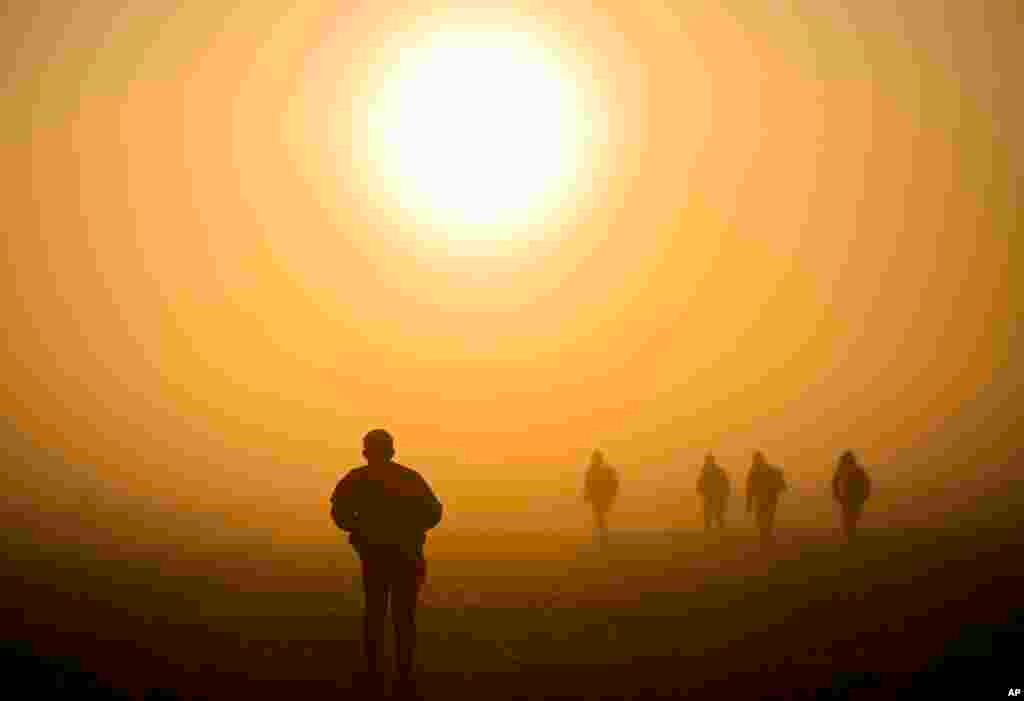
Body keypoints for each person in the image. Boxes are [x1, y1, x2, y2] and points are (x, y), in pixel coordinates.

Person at [330, 429, 442, 692]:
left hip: (376, 556)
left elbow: (339, 514)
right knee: (403, 616)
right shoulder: (409, 478)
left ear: (365, 452)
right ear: (392, 451)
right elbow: (434, 512)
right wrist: (412, 529)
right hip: (405, 555)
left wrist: (360, 530)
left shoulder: (356, 479)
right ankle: (403, 673)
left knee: (375, 614)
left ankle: (375, 672)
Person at [745, 451, 786, 547]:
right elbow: (750, 488)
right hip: (769, 500)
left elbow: (749, 488)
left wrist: (749, 503)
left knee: (763, 520)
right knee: (766, 520)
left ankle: (765, 538)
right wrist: (749, 503)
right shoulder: (767, 470)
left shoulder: (755, 471)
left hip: (764, 500)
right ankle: (766, 538)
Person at [832, 450, 871, 542]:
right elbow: (835, 482)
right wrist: (837, 495)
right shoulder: (845, 470)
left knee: (850, 521)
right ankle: (851, 539)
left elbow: (866, 482)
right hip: (848, 499)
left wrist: (864, 495)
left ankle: (851, 539)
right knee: (850, 521)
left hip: (852, 499)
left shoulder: (853, 470)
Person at [583, 450, 619, 546]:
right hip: (597, 497)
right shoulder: (592, 470)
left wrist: (611, 494)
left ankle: (603, 535)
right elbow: (588, 483)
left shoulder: (605, 470)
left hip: (602, 497)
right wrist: (587, 494)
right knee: (599, 516)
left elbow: (613, 483)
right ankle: (602, 535)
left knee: (600, 515)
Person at [697, 453, 730, 531]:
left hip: (713, 497)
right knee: (714, 516)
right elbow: (725, 483)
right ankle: (719, 533)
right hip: (712, 497)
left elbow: (700, 484)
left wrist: (701, 490)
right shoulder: (714, 471)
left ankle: (715, 533)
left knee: (714, 516)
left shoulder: (707, 471)